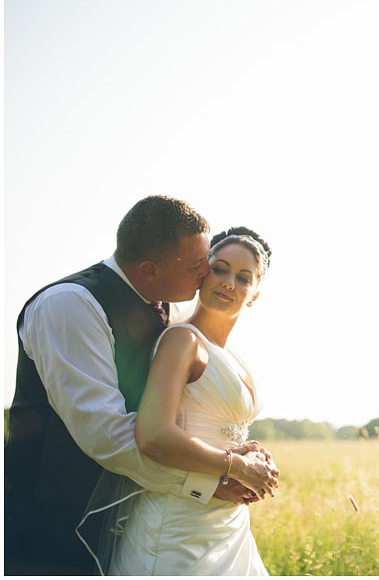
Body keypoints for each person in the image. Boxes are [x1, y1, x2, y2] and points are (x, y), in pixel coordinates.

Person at [4, 196, 269, 575]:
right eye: (200, 266)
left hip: (128, 513)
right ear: (149, 270)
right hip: (48, 521)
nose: (205, 278)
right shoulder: (70, 306)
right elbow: (107, 435)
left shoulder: (171, 308)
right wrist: (211, 479)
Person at [91, 226, 278, 575]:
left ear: (254, 294)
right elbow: (154, 435)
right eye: (219, 269)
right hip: (178, 524)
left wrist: (251, 454)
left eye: (243, 277)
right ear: (203, 273)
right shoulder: (182, 340)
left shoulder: (235, 358)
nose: (227, 283)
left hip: (227, 522)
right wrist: (238, 467)